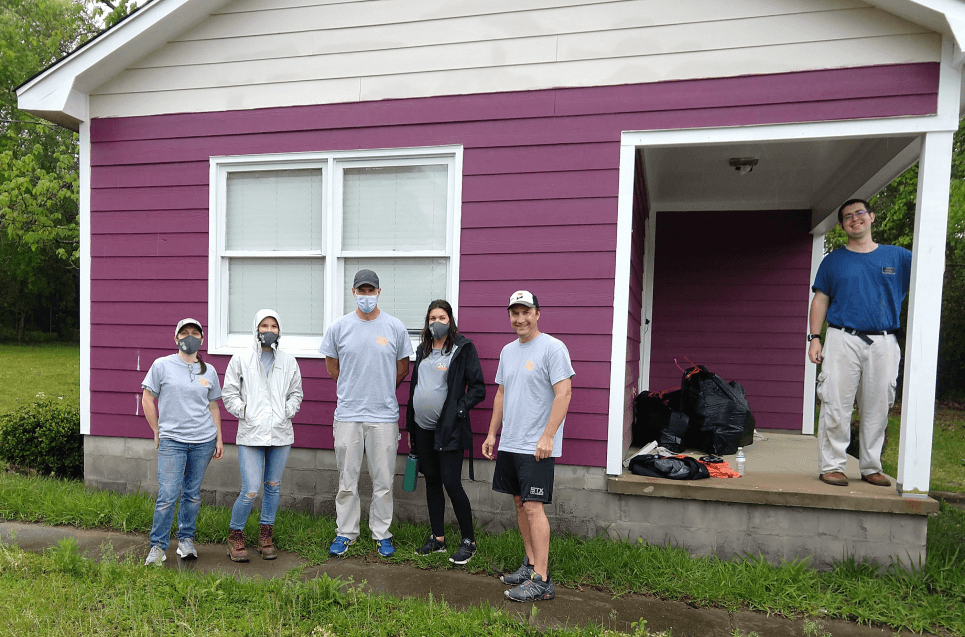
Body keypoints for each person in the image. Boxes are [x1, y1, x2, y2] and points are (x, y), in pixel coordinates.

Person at [808, 199, 911, 488]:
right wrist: (815, 338)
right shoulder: (833, 261)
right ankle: (832, 467)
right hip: (843, 338)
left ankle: (870, 467)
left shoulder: (899, 257)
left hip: (884, 341)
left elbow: (931, 268)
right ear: (842, 225)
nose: (855, 219)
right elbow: (821, 299)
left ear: (872, 217)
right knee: (835, 403)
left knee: (879, 405)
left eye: (860, 213)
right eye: (848, 217)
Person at [482, 290, 574, 602]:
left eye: (526, 312)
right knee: (520, 504)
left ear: (537, 313)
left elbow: (564, 394)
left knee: (534, 507)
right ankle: (530, 564)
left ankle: (543, 580)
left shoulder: (552, 348)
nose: (520, 319)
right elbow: (501, 395)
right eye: (514, 313)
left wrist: (548, 436)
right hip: (510, 442)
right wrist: (493, 433)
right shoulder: (507, 351)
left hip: (537, 445)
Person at [319, 269, 413, 557]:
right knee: (347, 480)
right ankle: (345, 532)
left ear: (379, 293)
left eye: (371, 291)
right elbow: (332, 367)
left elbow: (402, 368)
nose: (366, 296)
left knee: (383, 481)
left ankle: (381, 532)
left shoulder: (395, 327)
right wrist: (354, 388)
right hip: (348, 414)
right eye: (362, 290)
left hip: (383, 417)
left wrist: (380, 389)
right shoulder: (339, 327)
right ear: (353, 292)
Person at [406, 300, 486, 564]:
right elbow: (416, 388)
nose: (436, 323)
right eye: (431, 319)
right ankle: (437, 538)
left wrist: (458, 410)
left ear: (450, 321)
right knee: (432, 481)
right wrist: (410, 426)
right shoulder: (423, 350)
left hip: (448, 430)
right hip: (422, 428)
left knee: (451, 483)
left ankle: (468, 542)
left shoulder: (462, 349)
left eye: (441, 318)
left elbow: (478, 388)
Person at [222, 309, 304, 562]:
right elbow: (229, 393)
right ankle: (235, 535)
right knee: (250, 489)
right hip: (251, 434)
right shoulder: (241, 359)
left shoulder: (289, 361)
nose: (269, 331)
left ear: (280, 331)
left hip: (280, 434)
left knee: (272, 487)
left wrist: (286, 412)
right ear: (256, 329)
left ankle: (265, 536)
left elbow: (296, 394)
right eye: (264, 326)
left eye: (274, 326)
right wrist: (245, 411)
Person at [141, 318, 224, 565]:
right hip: (172, 441)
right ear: (176, 338)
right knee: (167, 494)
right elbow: (147, 398)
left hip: (203, 442)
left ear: (201, 339)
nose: (189, 337)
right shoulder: (161, 365)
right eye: (184, 333)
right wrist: (157, 430)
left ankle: (186, 541)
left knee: (192, 494)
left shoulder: (208, 370)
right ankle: (157, 547)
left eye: (194, 333)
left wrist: (219, 438)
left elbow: (213, 406)